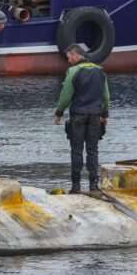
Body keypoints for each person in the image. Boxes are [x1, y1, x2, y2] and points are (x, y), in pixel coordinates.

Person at [54, 44, 110, 194]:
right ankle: (93, 185)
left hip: (78, 114)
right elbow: (105, 95)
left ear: (75, 55)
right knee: (93, 150)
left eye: (69, 58)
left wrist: (59, 112)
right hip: (95, 116)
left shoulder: (73, 71)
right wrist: (105, 115)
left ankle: (76, 186)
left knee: (76, 150)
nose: (69, 61)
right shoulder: (100, 70)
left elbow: (66, 95)